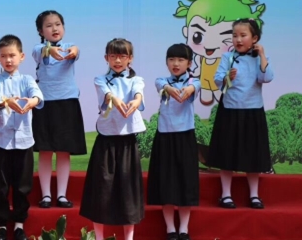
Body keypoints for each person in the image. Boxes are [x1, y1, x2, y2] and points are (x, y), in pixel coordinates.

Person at [80, 38, 146, 240]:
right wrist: (116, 100)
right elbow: (108, 95)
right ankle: (99, 237)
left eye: (122, 56)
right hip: (106, 141)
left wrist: (136, 102)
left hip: (127, 142)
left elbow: (138, 95)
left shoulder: (137, 80)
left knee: (129, 193)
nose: (118, 60)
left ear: (130, 58)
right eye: (113, 56)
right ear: (106, 58)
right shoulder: (100, 79)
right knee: (101, 191)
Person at [208, 18, 273, 210]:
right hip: (230, 111)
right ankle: (225, 195)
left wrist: (262, 55)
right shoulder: (227, 57)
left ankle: (254, 195)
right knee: (226, 153)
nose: (238, 39)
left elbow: (266, 77)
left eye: (243, 35)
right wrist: (227, 77)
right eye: (234, 35)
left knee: (253, 155)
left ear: (255, 38)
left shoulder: (259, 58)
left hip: (253, 112)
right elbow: (217, 80)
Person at [0, 35, 44, 240]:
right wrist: (7, 102)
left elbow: (37, 95)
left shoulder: (27, 80)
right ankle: (1, 225)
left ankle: (19, 224)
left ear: (21, 56)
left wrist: (32, 102)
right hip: (0, 141)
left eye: (12, 55)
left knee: (22, 186)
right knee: (0, 186)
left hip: (24, 141)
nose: (8, 60)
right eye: (4, 56)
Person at [31, 10, 86, 209]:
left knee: (64, 151)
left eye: (58, 24)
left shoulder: (70, 46)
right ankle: (46, 195)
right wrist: (50, 50)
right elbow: (43, 52)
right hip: (44, 104)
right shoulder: (38, 49)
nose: (54, 28)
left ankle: (61, 195)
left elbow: (76, 51)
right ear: (40, 31)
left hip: (67, 103)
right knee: (45, 151)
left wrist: (74, 51)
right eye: (49, 25)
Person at [148, 43, 201, 240]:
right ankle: (170, 228)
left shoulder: (194, 82)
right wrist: (170, 89)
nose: (176, 64)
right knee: (166, 183)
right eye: (171, 60)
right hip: (165, 137)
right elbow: (162, 86)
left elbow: (192, 89)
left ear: (189, 63)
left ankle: (184, 229)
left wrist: (187, 89)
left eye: (180, 60)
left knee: (186, 182)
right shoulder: (162, 81)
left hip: (185, 136)